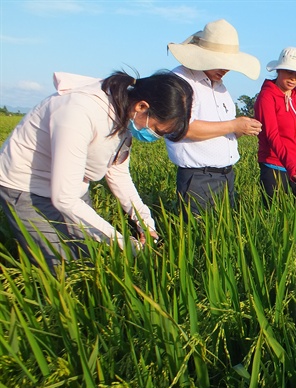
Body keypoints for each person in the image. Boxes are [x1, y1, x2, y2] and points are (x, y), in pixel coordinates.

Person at [0, 70, 193, 269]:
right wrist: (124, 243)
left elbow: (117, 172)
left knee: (87, 255)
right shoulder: (78, 111)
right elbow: (64, 199)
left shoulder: (124, 114)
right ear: (142, 106)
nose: (154, 137)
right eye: (157, 130)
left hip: (73, 187)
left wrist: (144, 221)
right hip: (27, 187)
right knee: (59, 265)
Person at [165, 19, 263, 217]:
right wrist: (233, 124)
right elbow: (184, 128)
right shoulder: (181, 81)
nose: (225, 69)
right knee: (200, 240)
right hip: (198, 178)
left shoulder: (220, 87)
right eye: (220, 62)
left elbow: (223, 130)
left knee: (221, 239)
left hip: (226, 175)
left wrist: (240, 129)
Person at [254, 47, 296, 202]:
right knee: (273, 217)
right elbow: (271, 135)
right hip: (275, 167)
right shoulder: (267, 97)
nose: (293, 78)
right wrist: (290, 165)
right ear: (279, 70)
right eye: (289, 72)